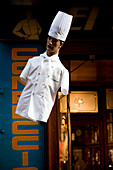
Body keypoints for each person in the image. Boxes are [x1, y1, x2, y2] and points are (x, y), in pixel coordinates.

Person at [16, 11, 73, 122]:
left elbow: (64, 91)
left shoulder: (63, 71)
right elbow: (23, 78)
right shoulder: (32, 61)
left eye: (55, 40)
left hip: (42, 112)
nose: (50, 43)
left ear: (61, 44)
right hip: (24, 106)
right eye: (49, 38)